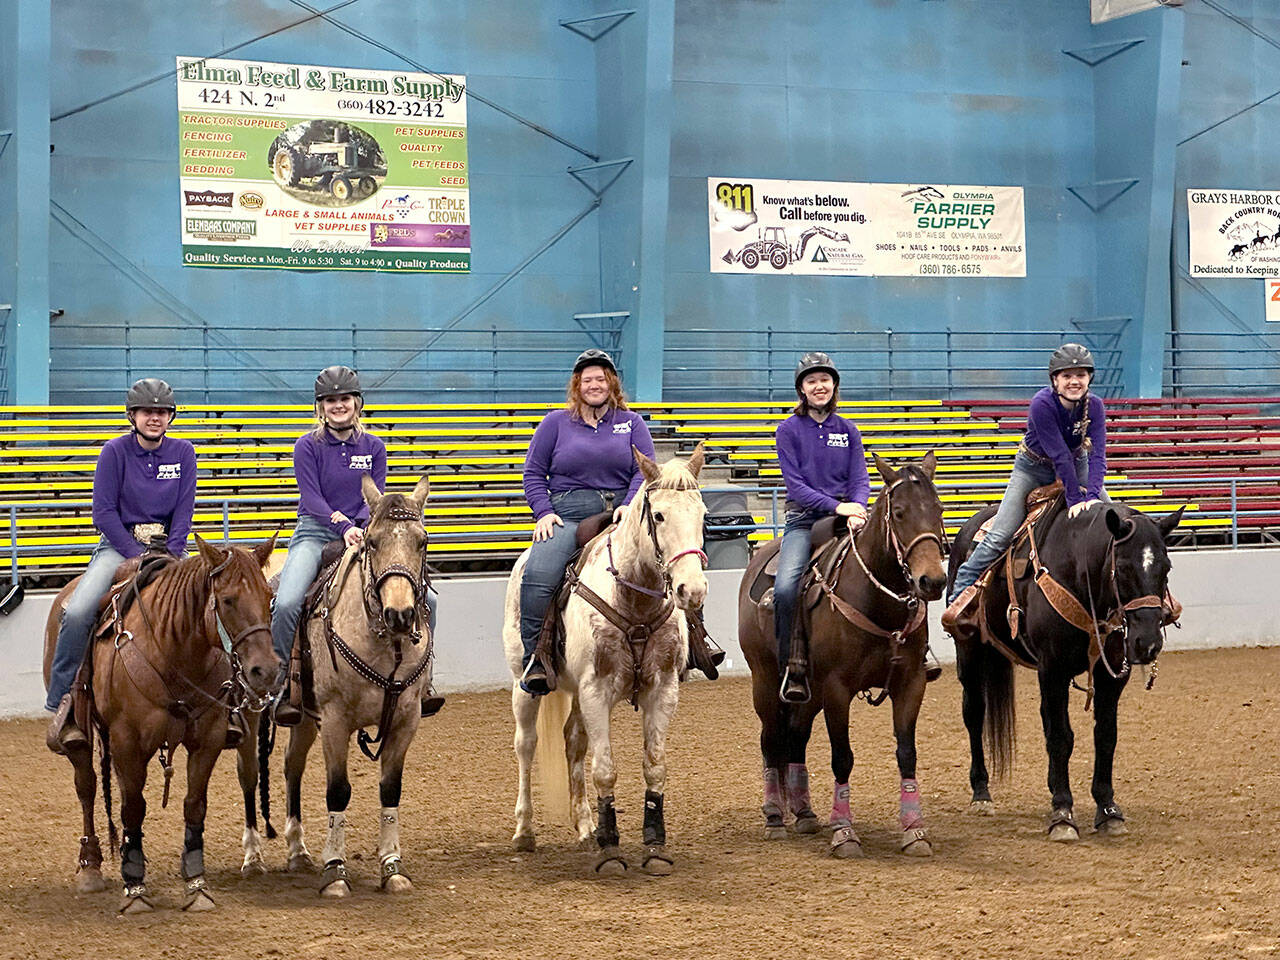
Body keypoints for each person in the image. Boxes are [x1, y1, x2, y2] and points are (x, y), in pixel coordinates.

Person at [517, 349, 723, 695]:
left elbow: (645, 473)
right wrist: (543, 512)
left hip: (621, 513)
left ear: (611, 384)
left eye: (601, 378)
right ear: (577, 385)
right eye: (587, 379)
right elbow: (534, 473)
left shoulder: (632, 422)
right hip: (568, 513)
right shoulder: (555, 423)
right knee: (538, 574)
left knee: (673, 557)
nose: (594, 385)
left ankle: (695, 641)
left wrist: (628, 505)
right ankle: (537, 658)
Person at [271, 365, 442, 724]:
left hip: (366, 533)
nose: (338, 405)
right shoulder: (307, 446)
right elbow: (312, 498)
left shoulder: (374, 447)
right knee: (286, 602)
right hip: (315, 532)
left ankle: (422, 680)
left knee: (428, 600)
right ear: (320, 406)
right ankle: (281, 684)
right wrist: (344, 525)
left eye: (344, 398)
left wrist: (362, 529)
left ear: (357, 403)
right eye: (330, 400)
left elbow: (376, 501)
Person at [45, 378, 197, 754]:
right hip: (118, 546)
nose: (155, 418)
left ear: (170, 416)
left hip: (169, 547)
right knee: (78, 610)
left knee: (209, 599)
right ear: (133, 415)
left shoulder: (184, 453)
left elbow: (184, 512)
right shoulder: (114, 452)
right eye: (148, 411)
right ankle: (64, 701)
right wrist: (134, 555)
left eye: (162, 412)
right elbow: (103, 512)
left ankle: (226, 704)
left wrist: (172, 553)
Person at [945, 343, 1108, 612]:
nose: (1074, 381)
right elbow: (1059, 456)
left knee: (1113, 518)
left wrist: (1091, 496)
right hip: (1033, 468)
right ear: (1055, 380)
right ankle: (960, 589)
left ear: (1090, 378)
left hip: (1079, 463)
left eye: (1080, 375)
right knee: (1001, 534)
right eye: (1067, 376)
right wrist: (1074, 498)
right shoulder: (1042, 404)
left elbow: (1098, 455)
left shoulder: (1097, 407)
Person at [773, 352, 871, 704]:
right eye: (812, 381)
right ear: (801, 388)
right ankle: (791, 665)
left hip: (847, 517)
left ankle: (909, 651)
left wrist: (857, 506)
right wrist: (836, 505)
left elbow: (860, 478)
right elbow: (795, 486)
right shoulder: (788, 430)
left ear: (834, 386)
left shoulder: (848, 430)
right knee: (786, 588)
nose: (819, 386)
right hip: (804, 519)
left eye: (825, 380)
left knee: (892, 561)